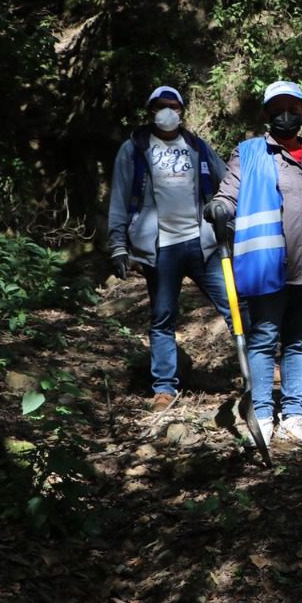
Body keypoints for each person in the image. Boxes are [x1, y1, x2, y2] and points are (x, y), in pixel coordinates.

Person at [204, 80, 302, 447]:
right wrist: (218, 207)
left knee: (297, 343)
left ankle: (293, 414)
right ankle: (262, 414)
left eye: (292, 108)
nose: (286, 115)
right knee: (263, 341)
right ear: (266, 115)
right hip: (266, 267)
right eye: (277, 110)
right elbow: (228, 194)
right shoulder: (249, 153)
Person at [107, 85, 232, 412]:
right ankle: (164, 388)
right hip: (159, 248)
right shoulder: (133, 149)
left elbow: (229, 182)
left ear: (181, 110)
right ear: (150, 111)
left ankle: (259, 366)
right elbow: (119, 199)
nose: (167, 111)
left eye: (173, 106)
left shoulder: (197, 147)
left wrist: (227, 216)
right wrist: (118, 245)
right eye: (160, 106)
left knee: (235, 303)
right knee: (163, 318)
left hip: (201, 243)